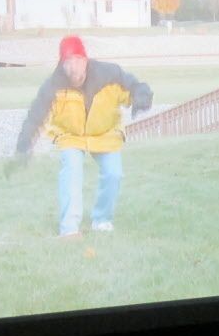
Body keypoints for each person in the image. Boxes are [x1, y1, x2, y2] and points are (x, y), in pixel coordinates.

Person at [10, 35, 152, 237]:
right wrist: (24, 145)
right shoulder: (53, 85)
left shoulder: (110, 73)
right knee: (71, 170)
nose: (73, 67)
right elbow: (35, 116)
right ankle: (69, 229)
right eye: (67, 62)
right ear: (62, 64)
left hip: (105, 133)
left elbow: (136, 87)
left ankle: (102, 220)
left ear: (85, 60)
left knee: (114, 173)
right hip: (71, 136)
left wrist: (141, 99)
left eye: (77, 60)